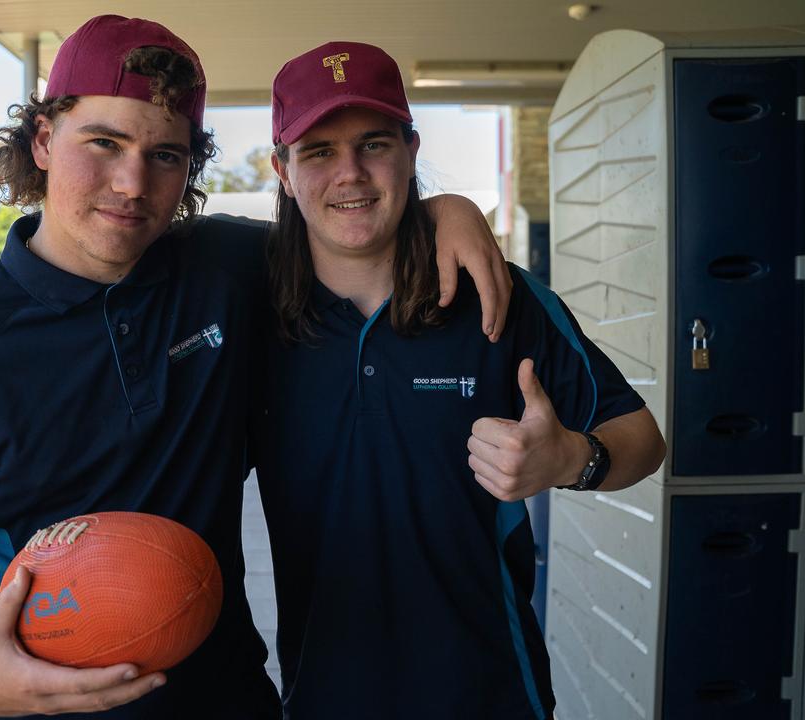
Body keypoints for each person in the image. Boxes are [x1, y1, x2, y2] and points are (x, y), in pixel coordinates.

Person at [0, 16, 512, 720]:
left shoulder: (225, 269)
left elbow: (348, 228)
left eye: (166, 155)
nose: (133, 182)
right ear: (43, 139)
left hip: (231, 700)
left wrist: (445, 209)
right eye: (104, 142)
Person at [250, 42, 666, 718]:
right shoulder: (252, 313)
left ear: (411, 151)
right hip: (324, 691)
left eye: (374, 144)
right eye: (319, 151)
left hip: (491, 688)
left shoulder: (499, 296)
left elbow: (642, 439)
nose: (350, 173)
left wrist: (571, 458)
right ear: (283, 170)